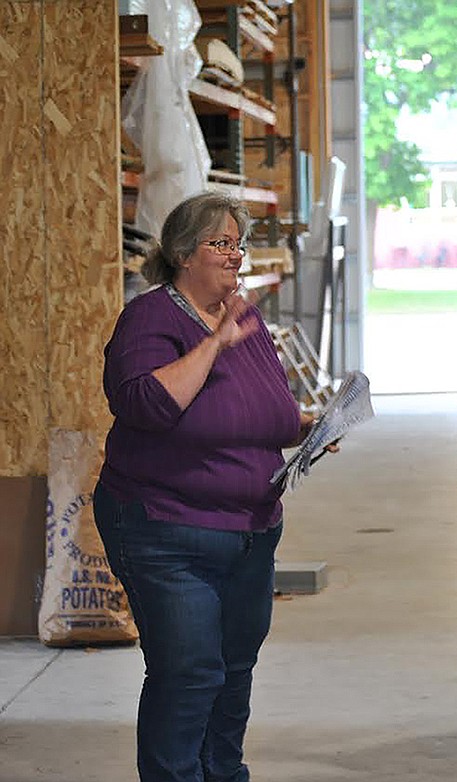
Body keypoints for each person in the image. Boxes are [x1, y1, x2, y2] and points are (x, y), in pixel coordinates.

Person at [93, 192, 313, 782]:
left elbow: (266, 411)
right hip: (166, 528)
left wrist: (308, 430)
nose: (236, 256)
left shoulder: (245, 316)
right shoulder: (151, 318)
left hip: (250, 532)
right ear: (184, 254)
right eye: (222, 243)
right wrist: (213, 343)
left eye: (238, 243)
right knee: (189, 673)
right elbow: (145, 404)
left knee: (234, 670)